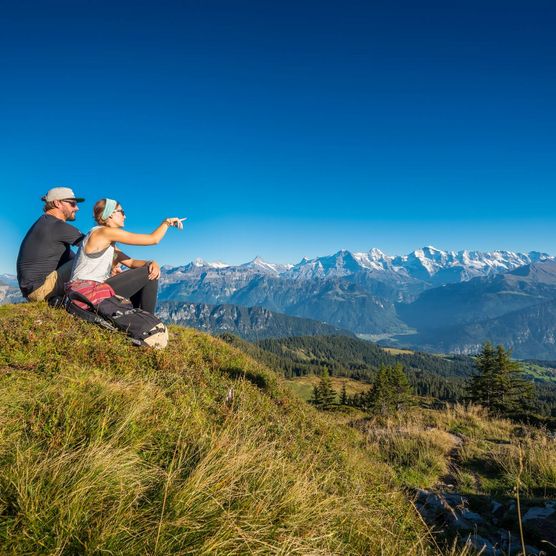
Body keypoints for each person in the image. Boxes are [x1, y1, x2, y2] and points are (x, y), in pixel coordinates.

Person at [68, 198, 185, 314]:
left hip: (84, 290)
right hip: (86, 292)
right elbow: (153, 239)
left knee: (149, 269)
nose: (125, 216)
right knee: (149, 273)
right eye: (122, 212)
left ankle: (139, 317)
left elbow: (131, 262)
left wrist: (150, 262)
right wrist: (167, 222)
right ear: (110, 214)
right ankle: (149, 320)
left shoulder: (105, 240)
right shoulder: (103, 232)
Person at [17, 187, 86, 301]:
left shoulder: (45, 224)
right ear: (57, 203)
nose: (77, 208)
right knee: (91, 256)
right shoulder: (56, 225)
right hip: (42, 290)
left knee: (85, 256)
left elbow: (73, 259)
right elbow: (95, 244)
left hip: (35, 291)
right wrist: (116, 260)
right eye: (73, 204)